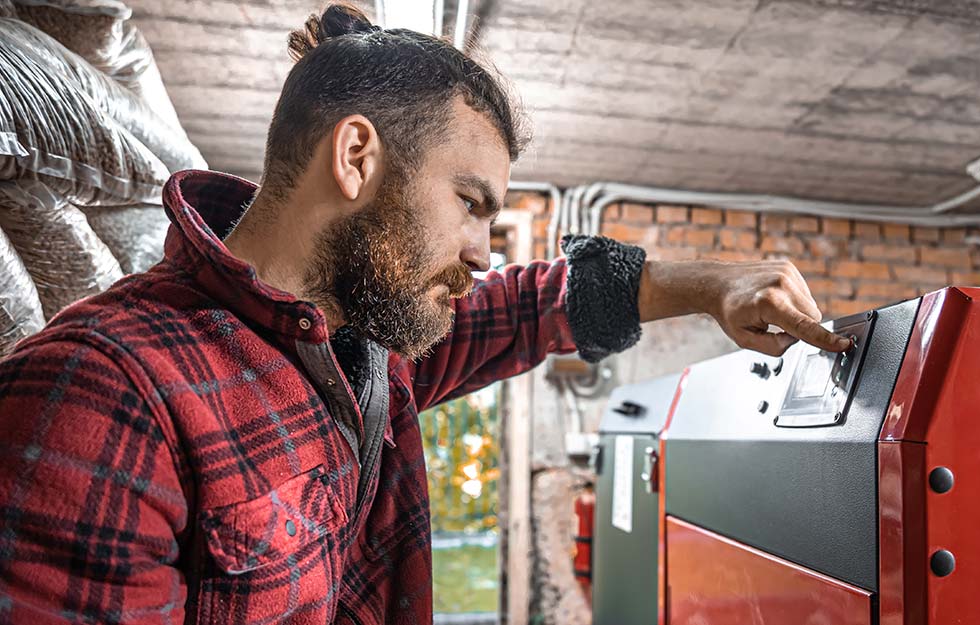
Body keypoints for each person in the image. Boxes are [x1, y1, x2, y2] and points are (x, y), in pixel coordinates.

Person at [0, 3, 848, 624]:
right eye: (470, 203)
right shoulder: (101, 394)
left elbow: (526, 306)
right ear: (356, 157)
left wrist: (706, 285)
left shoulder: (360, 343)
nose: (481, 252)